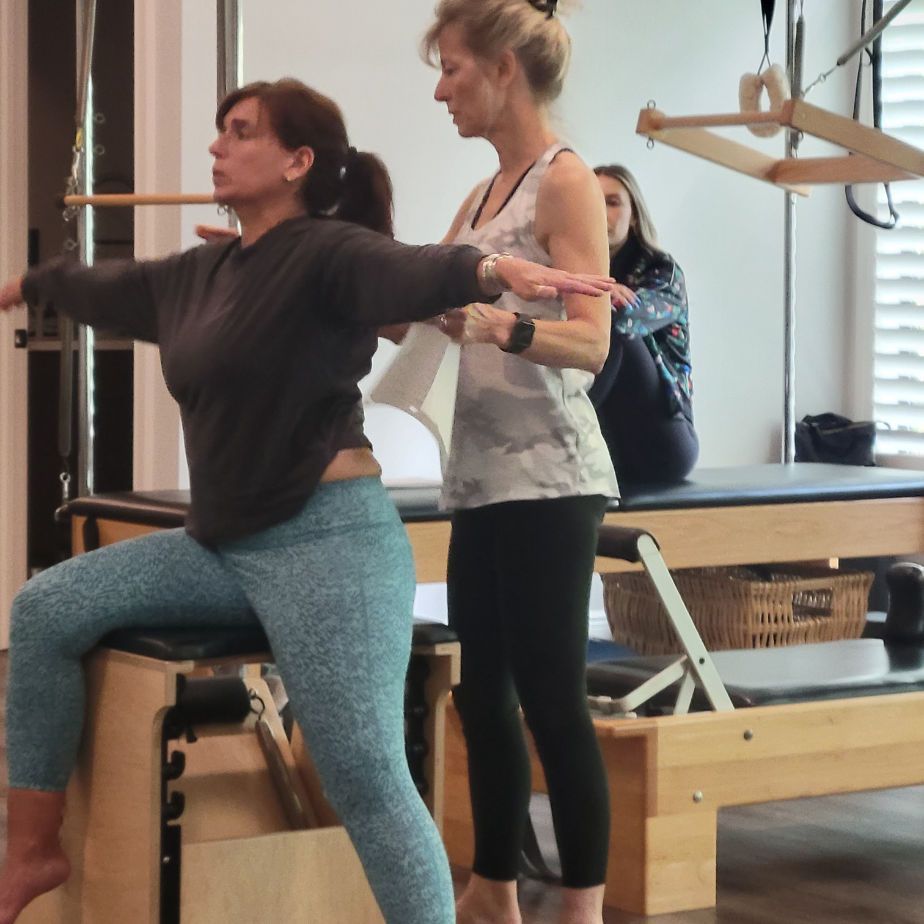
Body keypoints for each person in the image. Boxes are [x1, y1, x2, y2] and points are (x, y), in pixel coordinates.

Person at [0, 78, 613, 924]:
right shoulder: (203, 273)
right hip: (223, 547)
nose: (217, 145)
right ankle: (32, 846)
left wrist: (488, 269)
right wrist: (35, 284)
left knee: (363, 775)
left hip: (330, 547)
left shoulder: (328, 253)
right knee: (45, 607)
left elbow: (409, 269)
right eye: (219, 129)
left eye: (240, 131)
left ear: (297, 161)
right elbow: (112, 288)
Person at [419, 2, 620, 922]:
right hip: (482, 478)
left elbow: (592, 343)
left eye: (452, 68)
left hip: (550, 480)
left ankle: (582, 905)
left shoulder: (564, 180)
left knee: (550, 697)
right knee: (480, 697)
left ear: (504, 68)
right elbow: (420, 296)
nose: (441, 91)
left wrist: (507, 327)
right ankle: (493, 889)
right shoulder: (482, 195)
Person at [591, 164, 699, 483]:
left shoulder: (662, 270)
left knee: (610, 329)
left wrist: (597, 294)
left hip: (662, 440)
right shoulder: (566, 270)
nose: (600, 212)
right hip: (605, 441)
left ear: (634, 215)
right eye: (592, 202)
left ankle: (561, 430)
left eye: (612, 202)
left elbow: (628, 318)